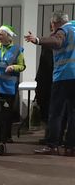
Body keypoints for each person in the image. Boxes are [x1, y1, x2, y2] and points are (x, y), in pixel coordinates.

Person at [26, 11, 75, 156]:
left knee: (55, 112)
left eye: (52, 25)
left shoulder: (63, 30)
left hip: (64, 77)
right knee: (73, 113)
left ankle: (52, 145)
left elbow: (57, 41)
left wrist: (37, 40)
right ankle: (71, 147)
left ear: (55, 23)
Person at [0, 25, 25, 155]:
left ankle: (2, 141)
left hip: (7, 88)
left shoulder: (17, 50)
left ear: (8, 36)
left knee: (5, 116)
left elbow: (22, 65)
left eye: (1, 34)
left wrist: (14, 67)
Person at [35, 46, 54, 143]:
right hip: (44, 82)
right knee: (46, 110)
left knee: (51, 112)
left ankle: (51, 137)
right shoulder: (46, 47)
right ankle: (49, 136)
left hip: (51, 82)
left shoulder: (51, 47)